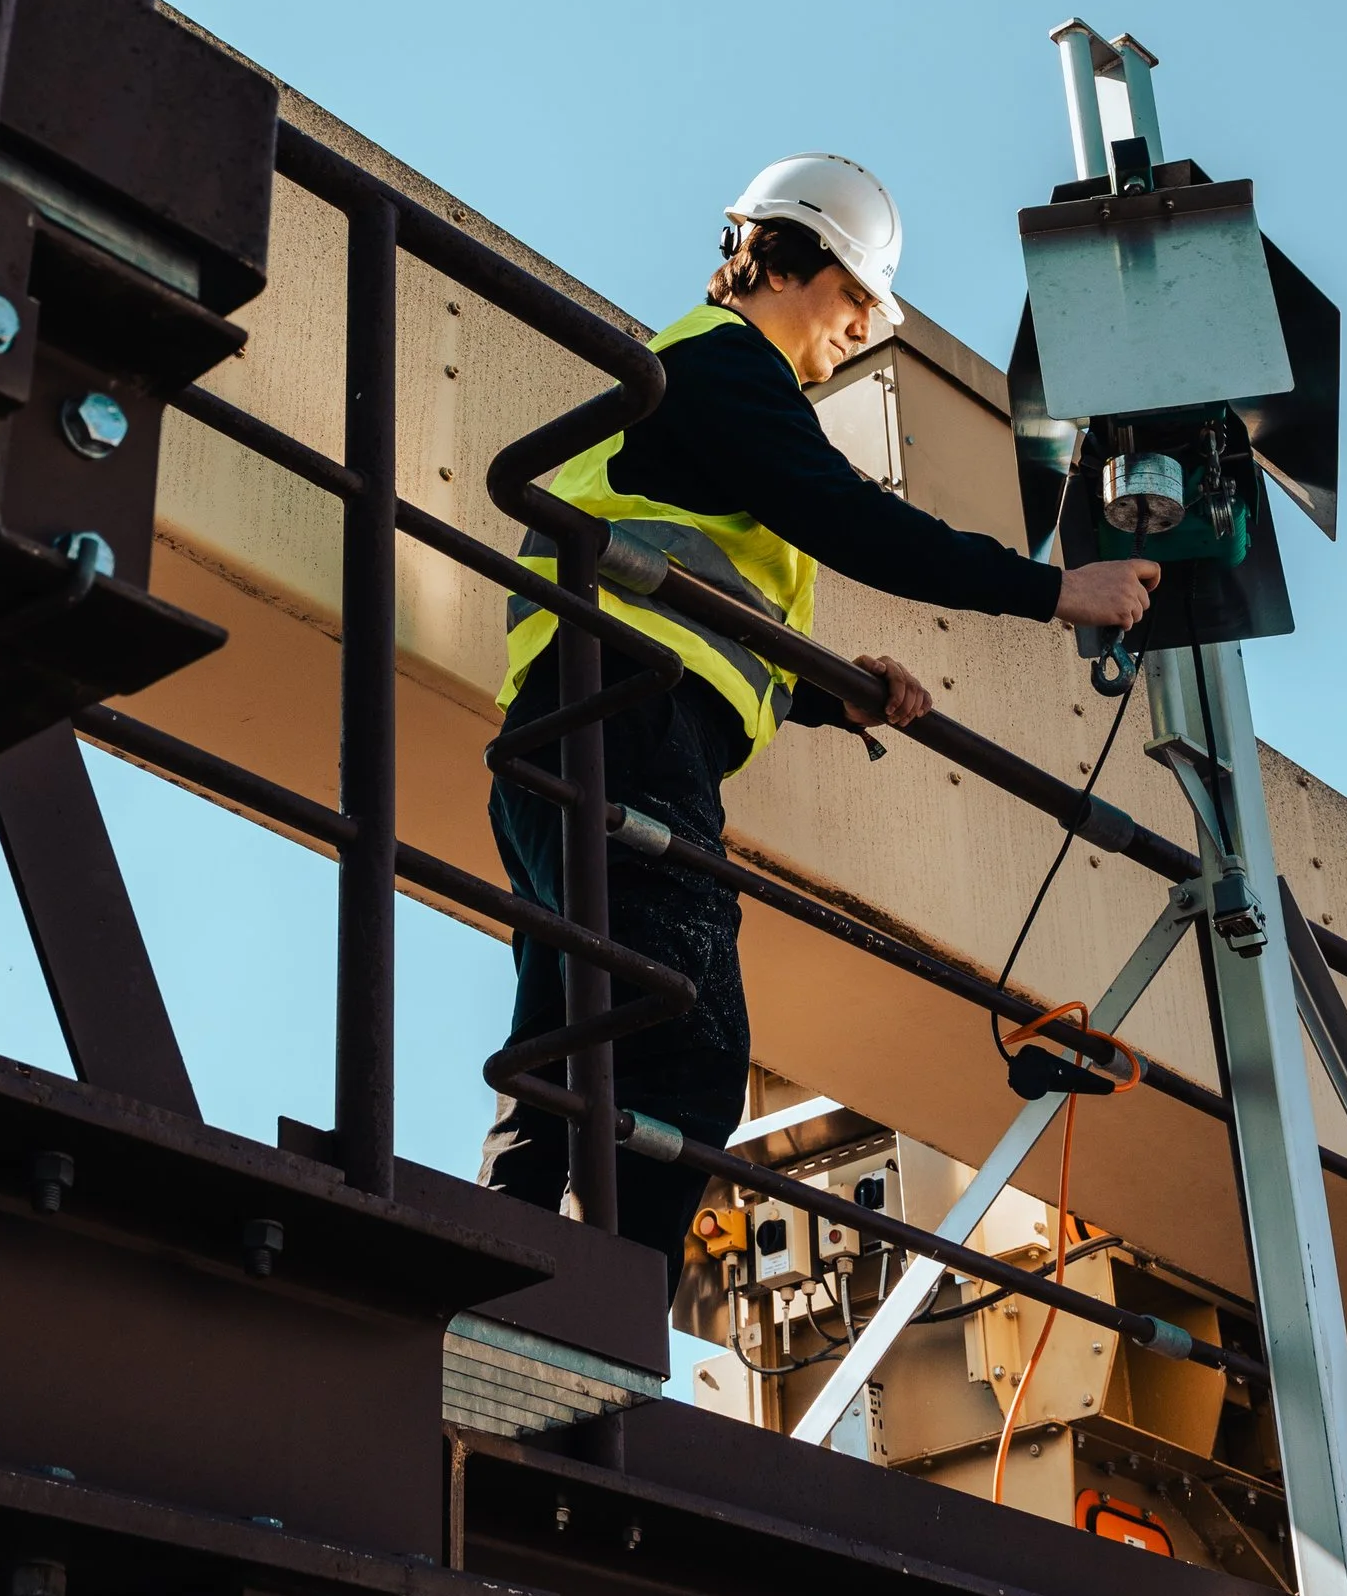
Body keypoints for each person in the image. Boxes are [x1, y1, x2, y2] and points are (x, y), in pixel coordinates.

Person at [480, 154, 1160, 1260]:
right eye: (853, 296)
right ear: (782, 263)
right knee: (682, 1031)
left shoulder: (695, 384)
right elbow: (853, 522)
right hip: (626, 717)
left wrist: (819, 694)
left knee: (567, 1033)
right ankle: (609, 1313)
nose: (859, 326)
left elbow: (694, 591)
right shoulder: (724, 366)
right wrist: (1053, 592)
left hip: (574, 728)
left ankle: (495, 1271)